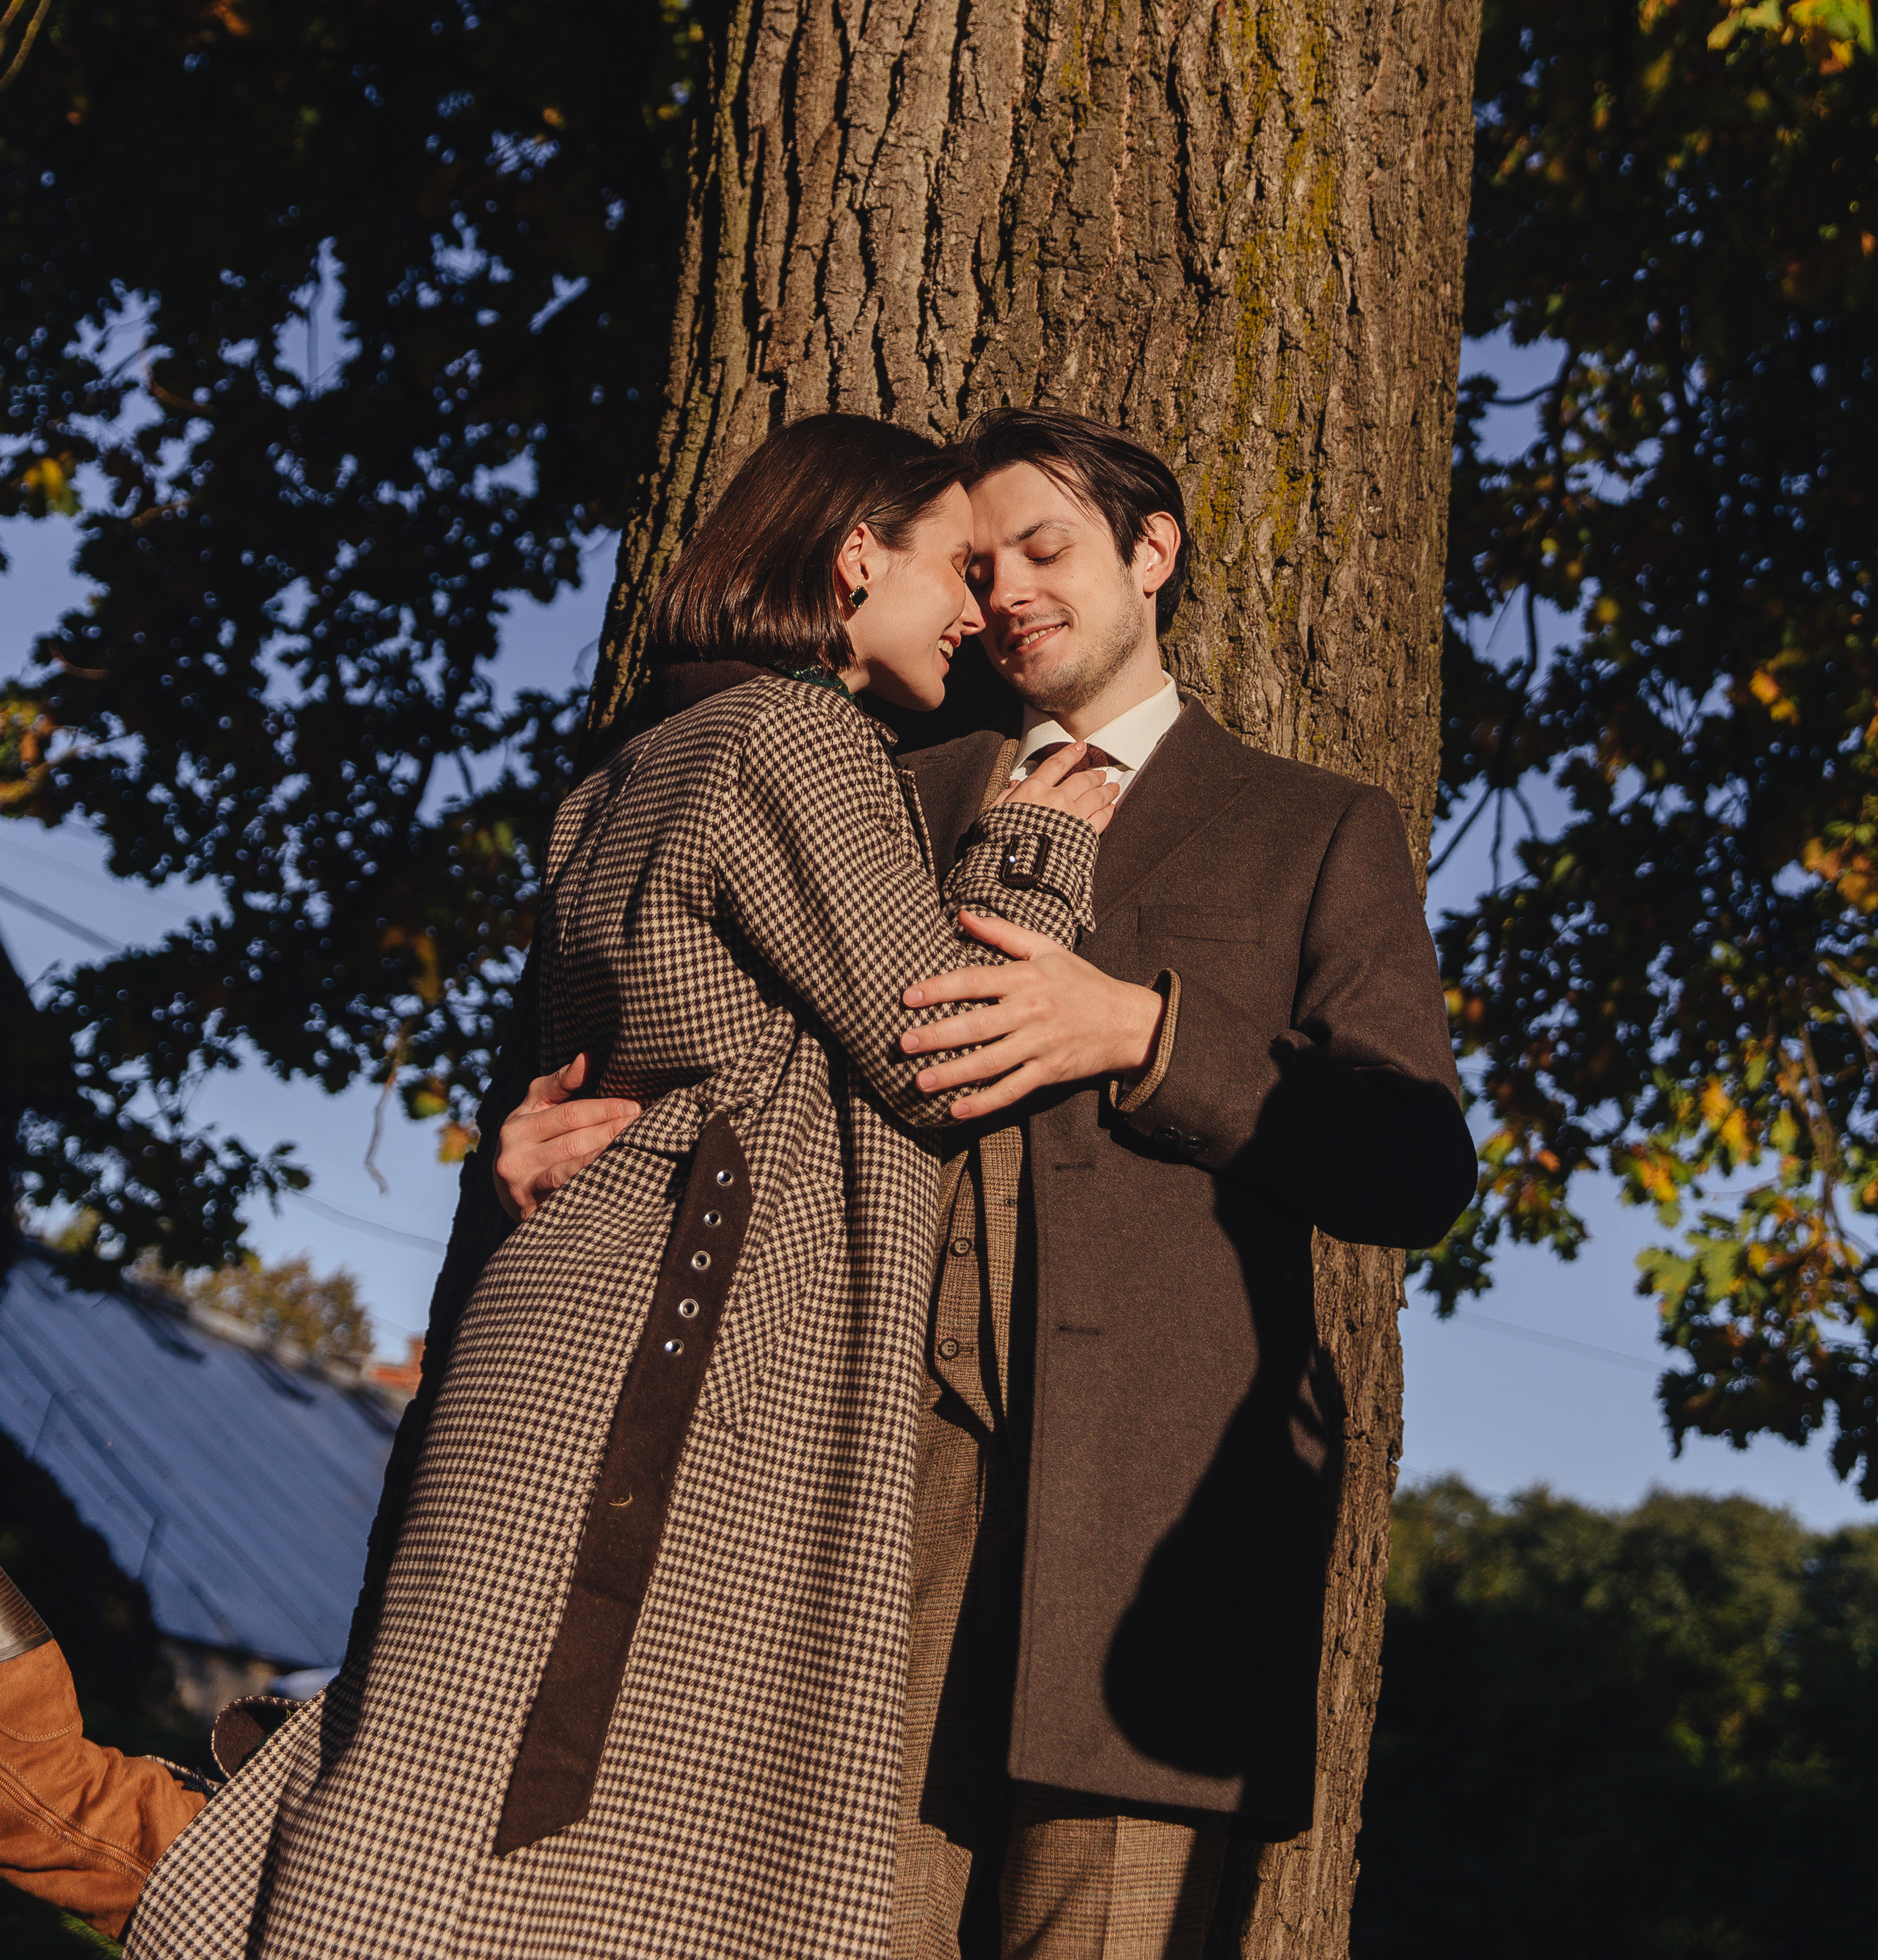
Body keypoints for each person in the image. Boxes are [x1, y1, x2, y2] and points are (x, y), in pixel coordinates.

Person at [117, 416, 1130, 1960]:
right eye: (954, 568)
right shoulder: (792, 738)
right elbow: (934, 1041)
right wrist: (1038, 847)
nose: (978, 611)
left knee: (458, 1774)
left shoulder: (638, 753)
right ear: (856, 558)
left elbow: (569, 1076)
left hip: (581, 1304)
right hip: (666, 1336)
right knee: (537, 1816)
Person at [498, 408, 1478, 1959]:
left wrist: (1147, 1034)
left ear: (1148, 556)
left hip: (1147, 1559)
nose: (1006, 590)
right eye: (974, 561)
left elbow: (1412, 1161)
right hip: (851, 1519)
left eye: (1044, 549)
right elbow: (679, 1025)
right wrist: (539, 1141)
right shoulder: (878, 777)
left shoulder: (1314, 825)